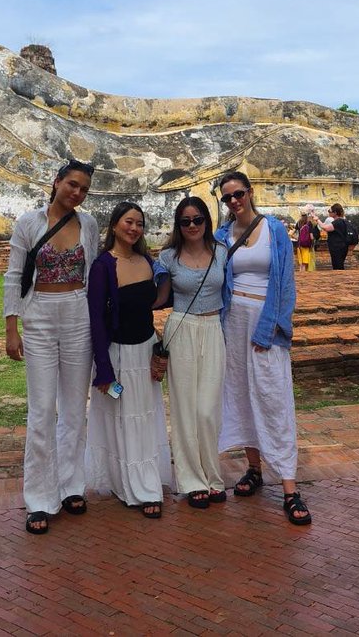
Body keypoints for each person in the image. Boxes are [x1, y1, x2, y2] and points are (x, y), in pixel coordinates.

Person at [3, 159, 101, 535]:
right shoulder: (30, 223)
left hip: (78, 315)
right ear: (57, 182)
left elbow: (93, 274)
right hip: (40, 314)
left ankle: (71, 485)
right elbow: (14, 276)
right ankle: (40, 498)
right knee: (42, 410)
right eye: (72, 184)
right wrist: (11, 329)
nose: (77, 193)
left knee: (74, 409)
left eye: (84, 189)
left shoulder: (88, 224)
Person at [214, 171, 310, 526]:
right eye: (227, 197)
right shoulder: (222, 236)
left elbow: (285, 284)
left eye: (238, 194)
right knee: (240, 395)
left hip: (266, 323)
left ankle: (289, 487)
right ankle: (253, 468)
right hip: (232, 322)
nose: (234, 201)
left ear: (250, 192)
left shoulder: (274, 230)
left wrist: (269, 326)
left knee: (273, 398)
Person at [86, 202, 172, 518]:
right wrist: (103, 368)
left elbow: (155, 302)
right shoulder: (103, 266)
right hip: (117, 354)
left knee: (144, 419)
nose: (134, 228)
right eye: (128, 222)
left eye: (139, 223)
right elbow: (96, 319)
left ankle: (146, 480)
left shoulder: (148, 261)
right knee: (122, 420)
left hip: (145, 351)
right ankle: (132, 486)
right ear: (115, 225)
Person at [158, 197, 228, 509]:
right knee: (185, 409)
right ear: (178, 224)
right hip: (182, 328)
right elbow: (157, 297)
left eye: (197, 219)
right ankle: (192, 481)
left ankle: (213, 476)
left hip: (213, 328)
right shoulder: (168, 257)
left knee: (207, 410)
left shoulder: (221, 252)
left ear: (206, 221)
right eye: (185, 221)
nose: (192, 226)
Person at [324, 203, 354, 270]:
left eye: (330, 211)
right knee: (339, 264)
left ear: (335, 212)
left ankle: (339, 275)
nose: (329, 213)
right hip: (342, 246)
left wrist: (317, 220)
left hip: (337, 247)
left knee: (337, 265)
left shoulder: (338, 222)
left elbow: (325, 228)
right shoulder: (343, 220)